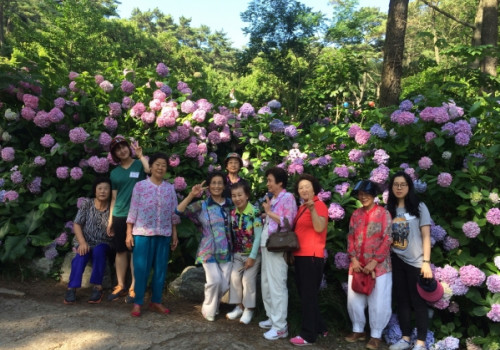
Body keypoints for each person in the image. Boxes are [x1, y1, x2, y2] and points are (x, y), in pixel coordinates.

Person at [125, 152, 180, 317]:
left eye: (164, 165)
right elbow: (133, 209)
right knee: (141, 269)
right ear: (151, 166)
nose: (161, 167)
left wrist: (174, 234)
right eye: (157, 164)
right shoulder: (140, 186)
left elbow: (174, 213)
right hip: (142, 233)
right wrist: (129, 233)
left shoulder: (170, 189)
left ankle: (156, 301)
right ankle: (138, 302)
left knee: (161, 269)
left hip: (164, 234)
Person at [176, 171, 233, 322]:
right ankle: (208, 309)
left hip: (227, 250)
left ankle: (213, 305)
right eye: (213, 183)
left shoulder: (230, 204)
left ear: (224, 185)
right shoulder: (202, 205)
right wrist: (191, 195)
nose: (216, 186)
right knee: (214, 280)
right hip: (208, 250)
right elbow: (178, 211)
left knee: (225, 284)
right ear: (208, 186)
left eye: (220, 183)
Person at [386, 171, 432, 350]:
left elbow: (426, 236)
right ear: (391, 188)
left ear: (409, 187)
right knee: (402, 300)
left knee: (418, 302)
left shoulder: (419, 207)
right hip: (396, 260)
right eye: (395, 184)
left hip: (416, 262)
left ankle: (420, 343)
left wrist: (426, 262)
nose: (399, 188)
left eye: (402, 184)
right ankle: (405, 339)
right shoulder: (389, 209)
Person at [346, 180, 392, 350]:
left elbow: (388, 238)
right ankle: (358, 330)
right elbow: (350, 237)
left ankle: (376, 335)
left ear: (374, 195)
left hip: (379, 267)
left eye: (366, 194)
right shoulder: (355, 215)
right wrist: (353, 258)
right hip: (357, 264)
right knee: (354, 299)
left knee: (379, 301)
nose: (363, 197)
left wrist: (375, 261)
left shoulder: (383, 214)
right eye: (360, 194)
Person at [107, 136, 150, 303]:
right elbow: (113, 199)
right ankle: (120, 285)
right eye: (117, 149)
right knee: (120, 251)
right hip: (119, 214)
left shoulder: (139, 165)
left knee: (135, 251)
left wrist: (141, 156)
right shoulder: (114, 172)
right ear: (115, 154)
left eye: (123, 146)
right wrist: (110, 220)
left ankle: (134, 287)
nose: (122, 150)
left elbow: (149, 171)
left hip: (138, 215)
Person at [289, 174, 328, 346]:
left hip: (311, 256)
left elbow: (319, 227)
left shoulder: (319, 205)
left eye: (307, 186)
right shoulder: (301, 207)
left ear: (314, 188)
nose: (304, 189)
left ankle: (308, 335)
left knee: (307, 296)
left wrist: (312, 209)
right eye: (300, 188)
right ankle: (320, 326)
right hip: (300, 256)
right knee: (307, 294)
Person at [259, 167, 297, 340]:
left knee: (277, 286)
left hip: (279, 246)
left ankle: (280, 326)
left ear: (280, 182)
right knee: (266, 283)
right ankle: (272, 317)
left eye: (270, 180)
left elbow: (289, 221)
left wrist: (269, 213)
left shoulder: (288, 197)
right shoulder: (272, 198)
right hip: (267, 245)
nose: (268, 183)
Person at [64, 177, 113, 304]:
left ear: (110, 191)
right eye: (100, 188)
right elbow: (77, 224)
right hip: (85, 241)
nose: (103, 191)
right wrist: (82, 242)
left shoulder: (112, 208)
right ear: (95, 191)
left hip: (103, 242)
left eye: (106, 189)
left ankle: (97, 287)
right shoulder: (87, 204)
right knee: (80, 256)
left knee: (99, 251)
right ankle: (72, 288)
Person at [226, 182, 262, 325]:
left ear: (247, 195)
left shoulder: (255, 211)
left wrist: (252, 257)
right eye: (234, 196)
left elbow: (259, 236)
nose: (237, 198)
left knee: (248, 280)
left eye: (240, 195)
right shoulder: (232, 213)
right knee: (234, 277)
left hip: (253, 254)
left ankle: (249, 309)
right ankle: (239, 307)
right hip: (237, 253)